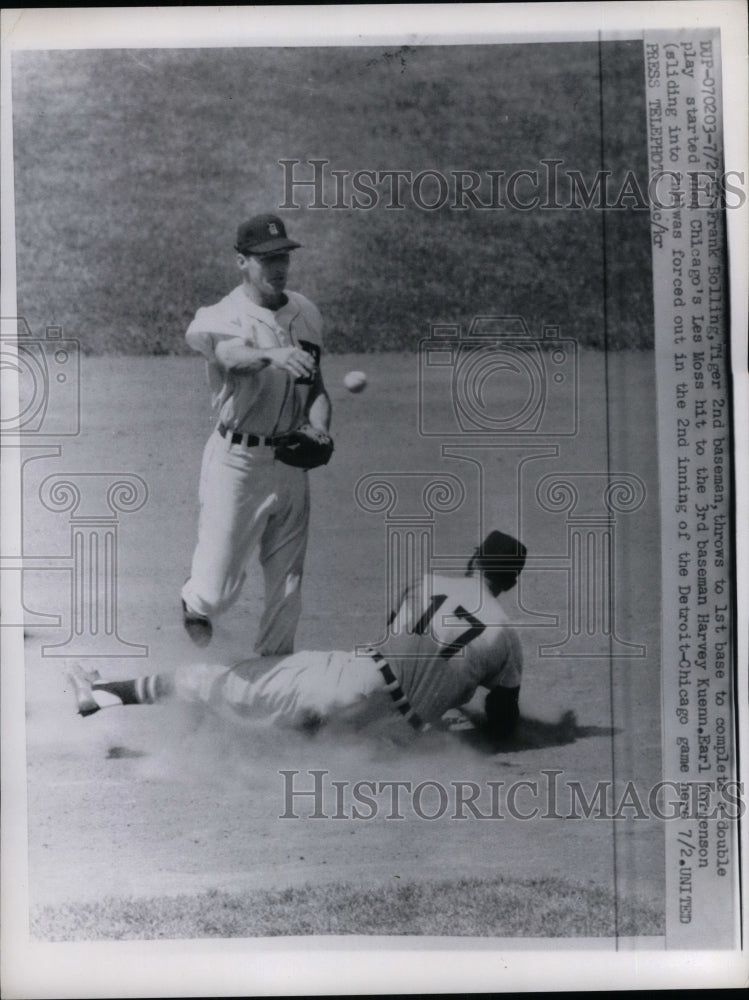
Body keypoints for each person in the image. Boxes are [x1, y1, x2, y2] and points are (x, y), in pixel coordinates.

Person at [71, 531, 527, 744]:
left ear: (474, 559)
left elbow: (400, 635)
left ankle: (100, 694)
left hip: (356, 681)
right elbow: (503, 716)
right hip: (395, 735)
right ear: (509, 582)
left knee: (218, 679)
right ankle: (260, 738)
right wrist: (461, 697)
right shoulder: (506, 638)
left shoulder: (429, 583)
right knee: (304, 736)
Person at [180, 213, 332, 654]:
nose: (278, 266)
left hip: (289, 463)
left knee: (288, 585)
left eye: (283, 256)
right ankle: (193, 599)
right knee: (216, 592)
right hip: (237, 465)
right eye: (266, 259)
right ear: (241, 262)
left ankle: (274, 675)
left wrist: (319, 430)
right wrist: (275, 355)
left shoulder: (305, 312)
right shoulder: (221, 315)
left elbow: (317, 386)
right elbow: (232, 357)